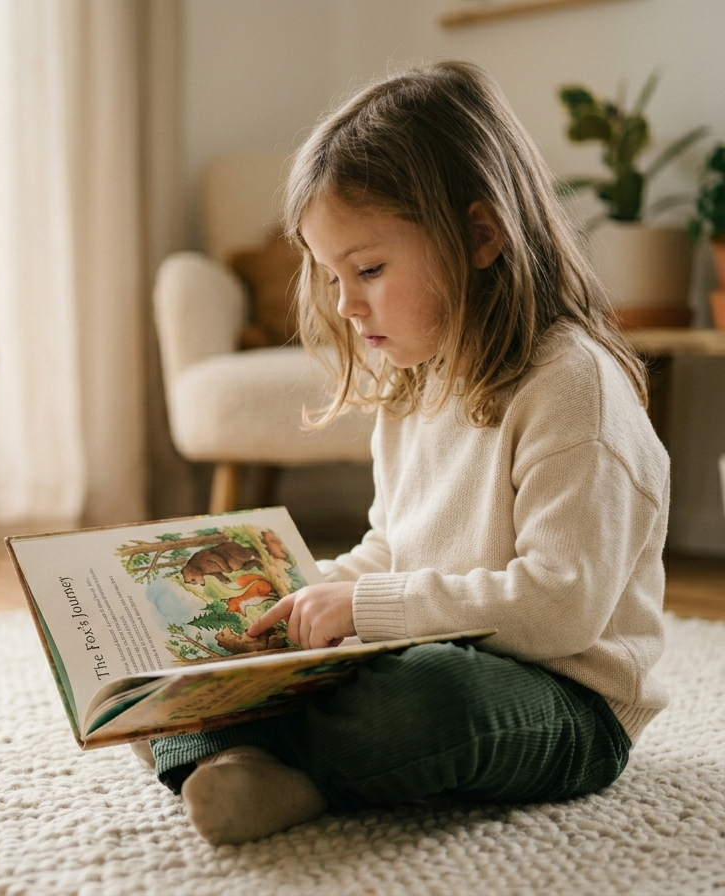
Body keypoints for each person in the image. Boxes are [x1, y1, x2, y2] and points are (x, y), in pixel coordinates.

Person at [145, 61, 669, 846]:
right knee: (196, 667)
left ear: (480, 236)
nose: (347, 305)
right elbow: (394, 546)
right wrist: (299, 598)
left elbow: (558, 608)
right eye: (331, 276)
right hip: (436, 641)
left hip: (565, 697)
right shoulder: (414, 380)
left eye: (368, 270)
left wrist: (363, 608)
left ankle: (269, 764)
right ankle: (247, 759)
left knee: (426, 695)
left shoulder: (574, 386)